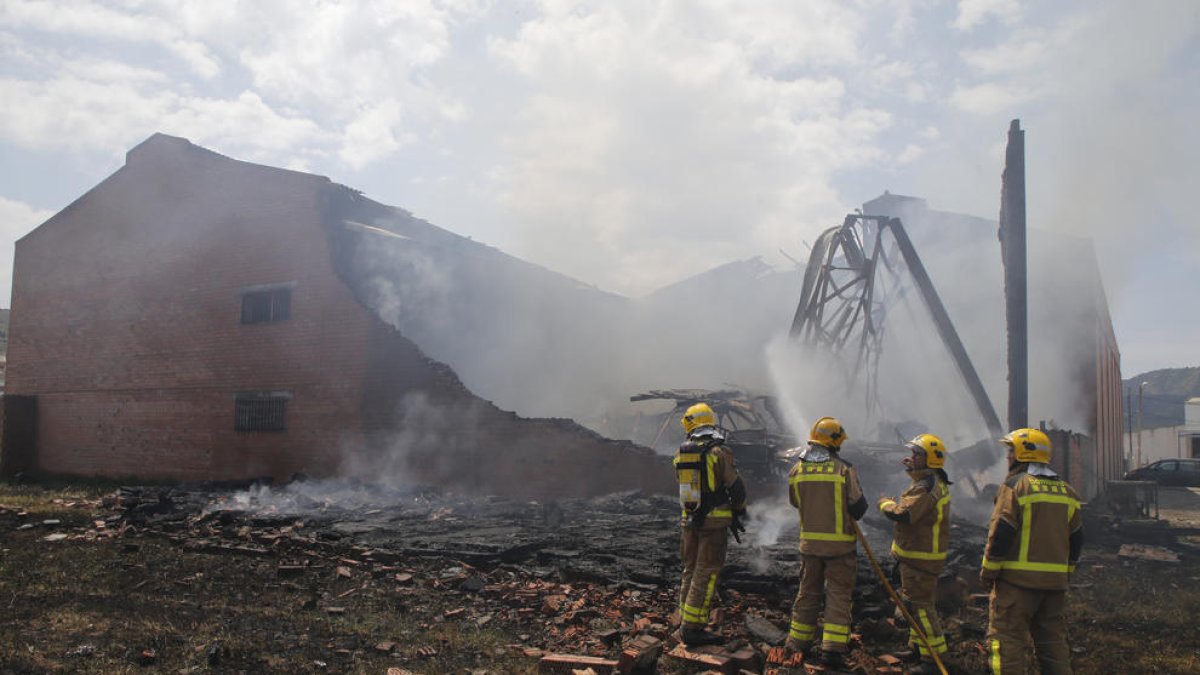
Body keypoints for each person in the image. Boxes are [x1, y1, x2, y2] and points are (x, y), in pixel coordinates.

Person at [981, 428, 1083, 674]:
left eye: (1010, 451)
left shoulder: (1016, 486)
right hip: (1055, 587)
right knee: (1052, 643)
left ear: (1022, 455)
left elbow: (1001, 532)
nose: (1007, 457)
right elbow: (1076, 539)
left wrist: (988, 572)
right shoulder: (1068, 491)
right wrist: (1065, 574)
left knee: (1007, 643)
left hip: (1018, 585)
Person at [784, 416, 867, 668]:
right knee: (838, 595)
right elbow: (859, 507)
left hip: (809, 546)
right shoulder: (844, 469)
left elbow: (795, 501)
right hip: (840, 547)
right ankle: (831, 651)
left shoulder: (797, 469)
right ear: (834, 442)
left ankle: (797, 643)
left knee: (807, 593)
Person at [673, 402, 748, 647]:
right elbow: (735, 486)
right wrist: (738, 510)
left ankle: (684, 618)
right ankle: (693, 628)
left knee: (690, 569)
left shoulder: (681, 453)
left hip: (689, 519)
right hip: (713, 522)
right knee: (706, 571)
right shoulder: (719, 452)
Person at [878, 434, 953, 674]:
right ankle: (917, 648)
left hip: (920, 558)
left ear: (929, 459)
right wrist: (912, 469)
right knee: (915, 605)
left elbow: (905, 514)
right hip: (915, 556)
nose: (911, 458)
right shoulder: (926, 481)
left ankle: (933, 660)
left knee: (922, 608)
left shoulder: (927, 486)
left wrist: (885, 504)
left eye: (916, 455)